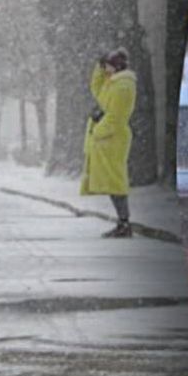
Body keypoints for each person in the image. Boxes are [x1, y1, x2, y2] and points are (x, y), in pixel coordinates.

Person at [82, 48, 138, 238]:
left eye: (107, 66)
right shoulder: (113, 83)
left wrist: (98, 130)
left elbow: (116, 116)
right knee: (113, 182)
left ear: (116, 67)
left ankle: (124, 222)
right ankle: (122, 222)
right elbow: (96, 88)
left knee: (115, 181)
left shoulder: (123, 87)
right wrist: (98, 68)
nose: (105, 69)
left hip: (112, 139)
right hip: (107, 138)